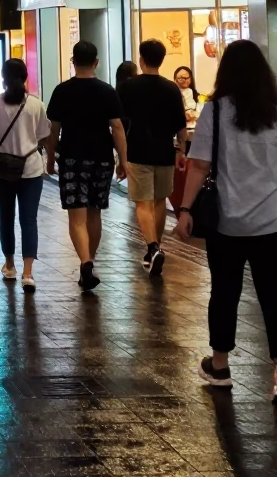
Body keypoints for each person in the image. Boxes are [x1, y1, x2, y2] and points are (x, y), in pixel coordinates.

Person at [175, 40, 277, 401]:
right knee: (274, 295)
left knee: (224, 292)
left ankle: (220, 365)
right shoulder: (274, 109)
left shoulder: (214, 111)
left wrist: (185, 210)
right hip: (272, 223)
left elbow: (199, 165)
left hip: (226, 222)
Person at [46, 40, 128, 292]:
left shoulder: (62, 91)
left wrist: (50, 157)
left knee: (77, 215)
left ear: (73, 61)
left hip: (71, 157)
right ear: (96, 62)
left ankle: (85, 261)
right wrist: (123, 160)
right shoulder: (107, 91)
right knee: (95, 212)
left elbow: (54, 130)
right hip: (101, 157)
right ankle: (89, 262)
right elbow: (116, 127)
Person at [118, 39, 188, 276]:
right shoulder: (171, 88)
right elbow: (182, 126)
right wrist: (181, 152)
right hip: (165, 152)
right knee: (159, 202)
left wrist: (120, 155)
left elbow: (119, 123)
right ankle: (154, 250)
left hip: (138, 151)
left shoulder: (128, 87)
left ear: (141, 59)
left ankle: (153, 247)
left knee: (143, 203)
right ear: (162, 59)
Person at [0, 59, 49, 293]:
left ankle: (10, 265)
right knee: (28, 219)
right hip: (31, 169)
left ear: (3, 78)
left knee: (6, 217)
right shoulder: (35, 105)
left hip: (2, 171)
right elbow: (43, 136)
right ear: (25, 77)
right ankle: (28, 273)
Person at [170, 65, 201, 213]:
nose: (183, 80)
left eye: (186, 77)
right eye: (180, 77)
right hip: (178, 137)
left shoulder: (196, 94)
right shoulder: (172, 93)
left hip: (193, 135)